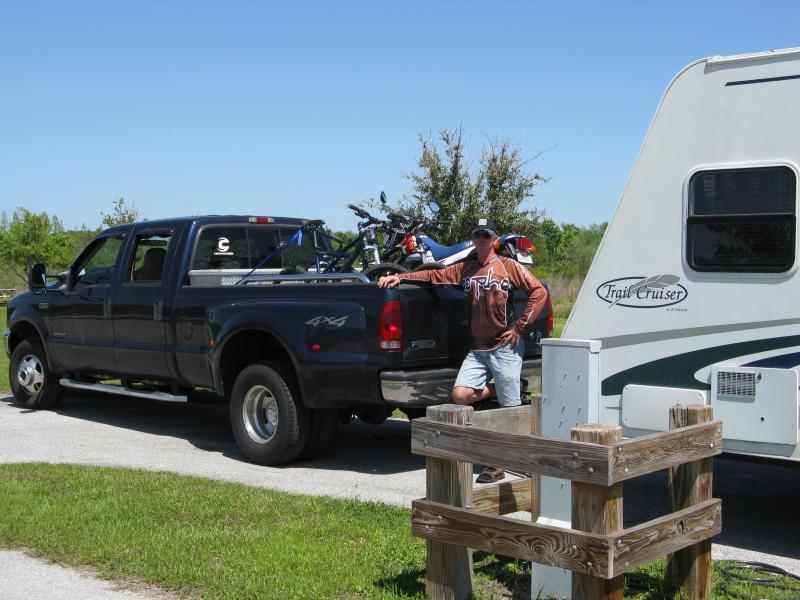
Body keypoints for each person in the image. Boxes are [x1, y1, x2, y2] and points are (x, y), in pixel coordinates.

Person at [378, 216, 548, 483]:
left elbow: (538, 292)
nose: (481, 239)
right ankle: (506, 386)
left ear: (494, 240)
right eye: (477, 235)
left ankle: (503, 464)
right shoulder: (465, 269)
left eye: (486, 235)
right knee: (460, 395)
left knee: (510, 410)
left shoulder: (507, 266)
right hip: (478, 350)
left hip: (504, 348)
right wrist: (400, 277)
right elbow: (434, 275)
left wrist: (519, 329)